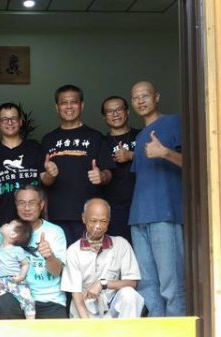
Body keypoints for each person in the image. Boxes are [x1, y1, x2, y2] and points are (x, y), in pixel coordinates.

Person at [128, 80, 185, 317]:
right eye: (135, 97)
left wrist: (165, 152)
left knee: (172, 286)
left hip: (165, 214)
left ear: (157, 97)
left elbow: (199, 163)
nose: (140, 101)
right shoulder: (140, 136)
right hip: (138, 217)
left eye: (145, 95)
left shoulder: (175, 122)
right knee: (148, 288)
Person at [41, 84, 115, 246]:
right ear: (57, 107)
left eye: (73, 102)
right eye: (63, 102)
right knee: (61, 263)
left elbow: (109, 173)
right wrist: (49, 175)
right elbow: (44, 181)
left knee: (89, 262)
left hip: (89, 215)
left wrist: (101, 176)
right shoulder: (48, 140)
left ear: (82, 105)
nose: (69, 106)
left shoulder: (95, 137)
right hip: (57, 214)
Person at [0, 185, 67, 319]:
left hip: (49, 300)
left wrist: (49, 256)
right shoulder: (5, 232)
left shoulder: (55, 232)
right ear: (16, 205)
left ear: (41, 204)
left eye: (32, 203)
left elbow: (56, 271)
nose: (26, 208)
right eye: (21, 203)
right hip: (15, 296)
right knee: (3, 303)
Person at [61, 198, 144, 319]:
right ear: (83, 218)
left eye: (103, 221)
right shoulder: (73, 251)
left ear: (109, 221)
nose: (98, 226)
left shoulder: (121, 244)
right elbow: (76, 295)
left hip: (113, 310)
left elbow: (132, 283)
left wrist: (102, 284)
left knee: (130, 295)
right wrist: (88, 325)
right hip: (85, 312)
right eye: (93, 221)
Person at [0, 102, 53, 239]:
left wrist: (51, 174)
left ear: (20, 122)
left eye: (13, 118)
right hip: (3, 220)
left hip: (34, 220)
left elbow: (46, 180)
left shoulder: (35, 148)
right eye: (5, 119)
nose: (10, 122)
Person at [100, 96, 141, 244]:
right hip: (115, 208)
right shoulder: (101, 142)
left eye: (119, 109)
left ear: (127, 112)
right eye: (110, 111)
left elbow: (156, 159)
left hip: (142, 203)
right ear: (104, 117)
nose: (115, 114)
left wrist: (131, 155)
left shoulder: (142, 135)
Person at [0, 219, 35, 320]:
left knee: (27, 299)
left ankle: (31, 323)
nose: (5, 223)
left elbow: (25, 264)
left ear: (13, 234)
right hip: (0, 280)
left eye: (9, 224)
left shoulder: (17, 250)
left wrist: (21, 276)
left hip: (15, 280)